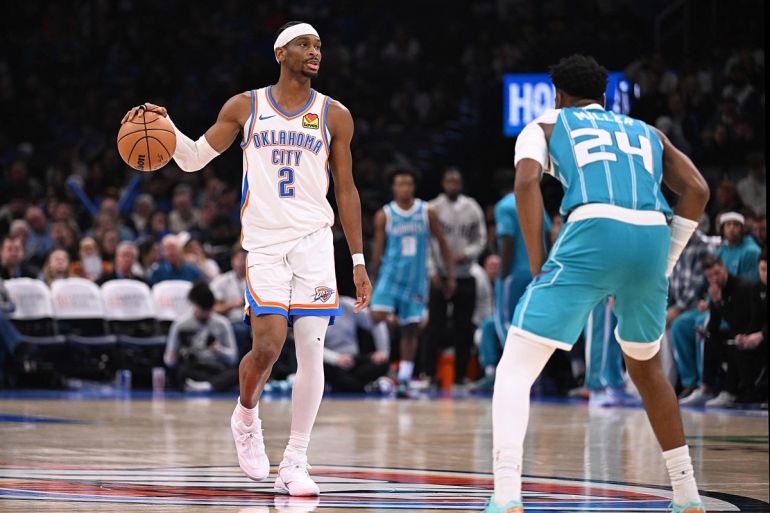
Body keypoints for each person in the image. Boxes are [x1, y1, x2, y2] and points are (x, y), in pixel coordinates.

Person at [122, 21, 372, 497]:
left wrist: (357, 259)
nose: (314, 51)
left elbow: (346, 189)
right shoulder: (246, 106)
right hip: (265, 245)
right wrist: (167, 127)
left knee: (312, 350)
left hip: (316, 243)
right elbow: (194, 158)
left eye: (318, 45)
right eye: (304, 44)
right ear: (280, 52)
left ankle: (296, 460)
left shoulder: (334, 115)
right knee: (268, 347)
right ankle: (246, 416)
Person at [484, 55, 710, 513]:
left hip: (591, 228)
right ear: (605, 98)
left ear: (558, 97)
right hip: (651, 234)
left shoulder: (546, 126)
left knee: (514, 369)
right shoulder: (648, 132)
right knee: (646, 370)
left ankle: (506, 494)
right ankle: (687, 495)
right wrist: (666, 258)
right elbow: (698, 189)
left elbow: (526, 181)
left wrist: (538, 263)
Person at [370, 169, 454, 398]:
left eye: (409, 184)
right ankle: (386, 361)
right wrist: (371, 278)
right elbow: (378, 250)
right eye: (400, 184)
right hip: (390, 275)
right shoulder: (385, 215)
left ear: (414, 187)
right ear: (393, 188)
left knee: (411, 330)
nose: (405, 188)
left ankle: (404, 378)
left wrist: (450, 274)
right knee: (376, 315)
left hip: (416, 280)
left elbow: (442, 243)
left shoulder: (426, 211)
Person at [424, 167, 486, 385]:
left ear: (460, 184)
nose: (452, 185)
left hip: (465, 273)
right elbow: (428, 244)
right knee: (435, 326)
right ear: (443, 183)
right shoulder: (433, 207)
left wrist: (467, 254)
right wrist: (432, 270)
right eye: (448, 181)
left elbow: (481, 239)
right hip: (440, 275)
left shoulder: (472, 208)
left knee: (464, 327)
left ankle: (460, 376)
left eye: (456, 181)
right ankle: (430, 375)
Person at [680, 255, 766, 407]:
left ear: (724, 268)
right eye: (710, 276)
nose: (715, 279)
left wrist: (719, 302)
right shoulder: (716, 290)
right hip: (738, 333)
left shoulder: (742, 287)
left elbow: (738, 321)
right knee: (710, 338)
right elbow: (714, 324)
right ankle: (706, 388)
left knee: (733, 340)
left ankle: (730, 391)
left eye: (717, 273)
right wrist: (706, 330)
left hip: (751, 333)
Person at [164, 282, 238, 393]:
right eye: (202, 309)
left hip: (215, 367)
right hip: (194, 367)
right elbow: (169, 359)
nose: (205, 314)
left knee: (237, 373)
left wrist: (219, 351)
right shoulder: (181, 325)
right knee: (181, 372)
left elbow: (233, 358)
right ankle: (214, 385)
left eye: (208, 310)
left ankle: (207, 386)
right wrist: (172, 358)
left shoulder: (222, 324)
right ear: (194, 305)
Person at [323, 296, 390, 393]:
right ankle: (366, 387)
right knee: (322, 368)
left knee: (382, 363)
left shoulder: (348, 305)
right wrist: (336, 359)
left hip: (354, 360)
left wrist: (383, 351)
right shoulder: (313, 311)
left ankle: (341, 386)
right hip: (331, 363)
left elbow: (377, 321)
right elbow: (311, 346)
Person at [210, 242, 251, 356]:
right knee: (240, 330)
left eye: (246, 258)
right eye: (240, 258)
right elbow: (213, 309)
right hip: (230, 322)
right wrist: (232, 305)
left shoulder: (255, 281)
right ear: (232, 260)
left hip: (253, 322)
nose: (243, 262)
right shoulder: (221, 282)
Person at [715, 211, 761, 281]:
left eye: (736, 225)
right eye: (728, 224)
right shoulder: (720, 251)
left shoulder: (751, 251)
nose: (732, 228)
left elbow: (750, 283)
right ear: (722, 230)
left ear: (742, 229)